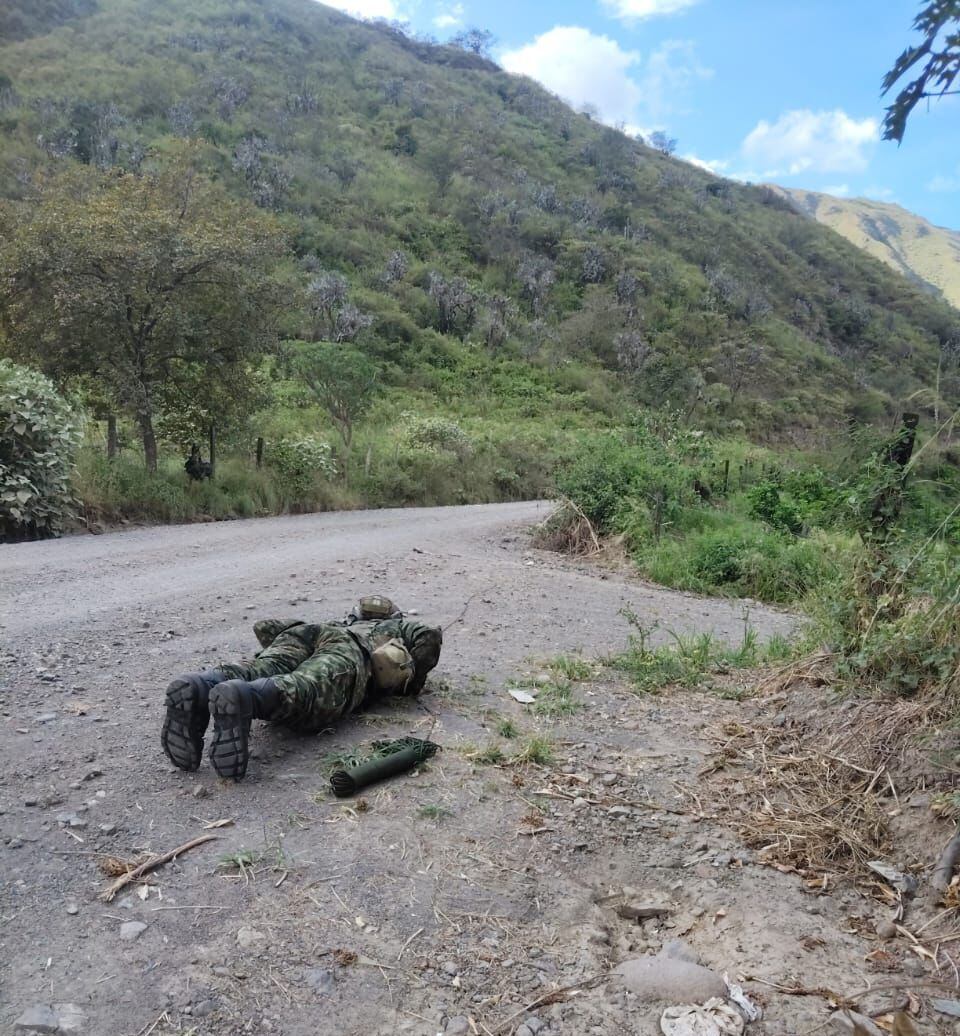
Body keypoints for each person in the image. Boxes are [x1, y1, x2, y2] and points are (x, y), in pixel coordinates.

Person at [161, 598, 442, 781]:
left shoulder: (337, 622)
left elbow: (266, 629)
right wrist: (411, 683)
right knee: (309, 687)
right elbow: (428, 637)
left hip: (305, 632)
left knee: (260, 667)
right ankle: (250, 696)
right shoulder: (395, 625)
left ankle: (203, 684)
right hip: (353, 650)